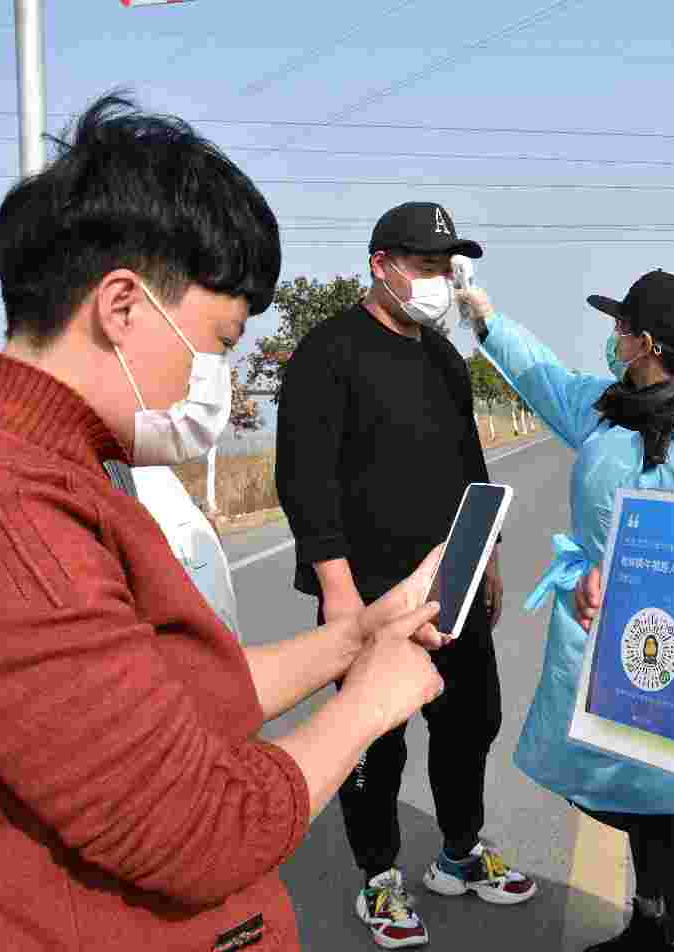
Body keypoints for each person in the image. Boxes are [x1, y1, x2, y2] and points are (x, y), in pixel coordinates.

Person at [0, 94, 451, 951]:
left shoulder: (47, 471)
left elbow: (179, 701)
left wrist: (355, 641)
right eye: (220, 341)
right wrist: (367, 708)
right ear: (122, 307)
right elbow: (203, 833)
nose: (220, 378)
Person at [461, 270, 674, 952]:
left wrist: (619, 582)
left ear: (646, 342)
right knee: (620, 786)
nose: (612, 337)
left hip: (663, 634)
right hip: (595, 625)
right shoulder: (608, 404)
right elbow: (544, 378)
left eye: (620, 327)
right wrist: (487, 321)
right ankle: (647, 923)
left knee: (669, 799)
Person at [275, 201, 537, 949]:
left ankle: (460, 850)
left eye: (446, 269)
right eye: (424, 267)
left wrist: (484, 557)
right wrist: (336, 588)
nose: (438, 282)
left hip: (450, 584)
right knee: (375, 738)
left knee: (470, 721)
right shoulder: (330, 352)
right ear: (380, 265)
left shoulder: (441, 357)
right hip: (369, 593)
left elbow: (469, 467)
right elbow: (305, 478)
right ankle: (379, 877)